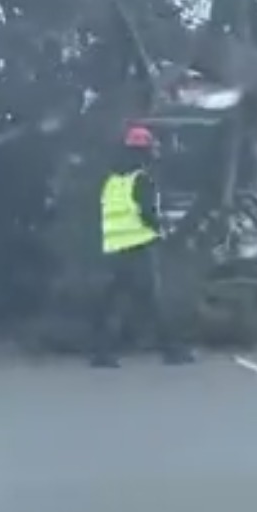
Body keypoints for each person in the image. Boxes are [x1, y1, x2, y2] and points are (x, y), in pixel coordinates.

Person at [92, 122, 192, 367]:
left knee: (114, 301)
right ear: (144, 151)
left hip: (114, 248)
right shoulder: (141, 179)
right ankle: (172, 350)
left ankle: (103, 353)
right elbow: (147, 213)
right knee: (153, 302)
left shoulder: (112, 181)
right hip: (138, 246)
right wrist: (162, 231)